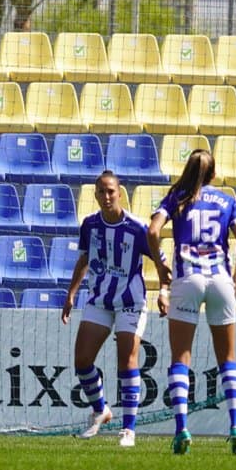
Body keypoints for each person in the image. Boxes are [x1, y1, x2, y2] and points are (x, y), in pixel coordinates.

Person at [147, 148, 236, 455]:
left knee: (181, 358)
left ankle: (182, 430)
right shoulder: (227, 200)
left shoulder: (175, 197)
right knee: (228, 359)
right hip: (220, 279)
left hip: (187, 278)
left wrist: (159, 266)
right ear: (213, 174)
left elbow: (153, 231)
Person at [62, 171, 153, 448]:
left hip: (130, 301)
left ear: (120, 192)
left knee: (127, 361)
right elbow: (85, 259)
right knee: (82, 361)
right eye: (101, 192)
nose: (107, 196)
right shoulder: (90, 224)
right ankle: (101, 410)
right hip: (99, 299)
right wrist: (71, 293)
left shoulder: (137, 227)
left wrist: (164, 289)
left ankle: (128, 430)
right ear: (96, 195)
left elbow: (160, 259)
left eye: (111, 191)